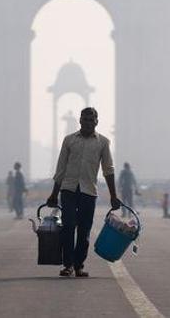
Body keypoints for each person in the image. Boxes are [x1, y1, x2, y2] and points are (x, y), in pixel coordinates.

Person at [47, 107, 119, 278]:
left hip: (89, 191)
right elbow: (61, 168)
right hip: (69, 189)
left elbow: (108, 170)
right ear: (79, 121)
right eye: (85, 119)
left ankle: (79, 265)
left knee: (84, 229)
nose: (88, 122)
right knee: (69, 225)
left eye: (91, 119)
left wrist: (113, 196)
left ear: (97, 122)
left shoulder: (103, 142)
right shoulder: (69, 140)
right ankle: (68, 265)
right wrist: (54, 193)